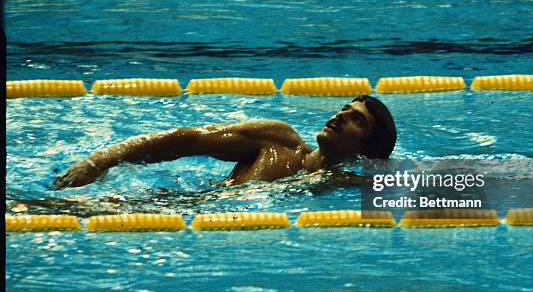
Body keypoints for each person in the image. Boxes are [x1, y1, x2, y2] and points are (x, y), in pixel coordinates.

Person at [52, 95, 396, 189]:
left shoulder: (349, 183)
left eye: (356, 119)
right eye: (343, 109)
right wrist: (98, 161)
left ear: (367, 147)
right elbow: (188, 139)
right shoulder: (278, 140)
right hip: (180, 208)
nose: (338, 116)